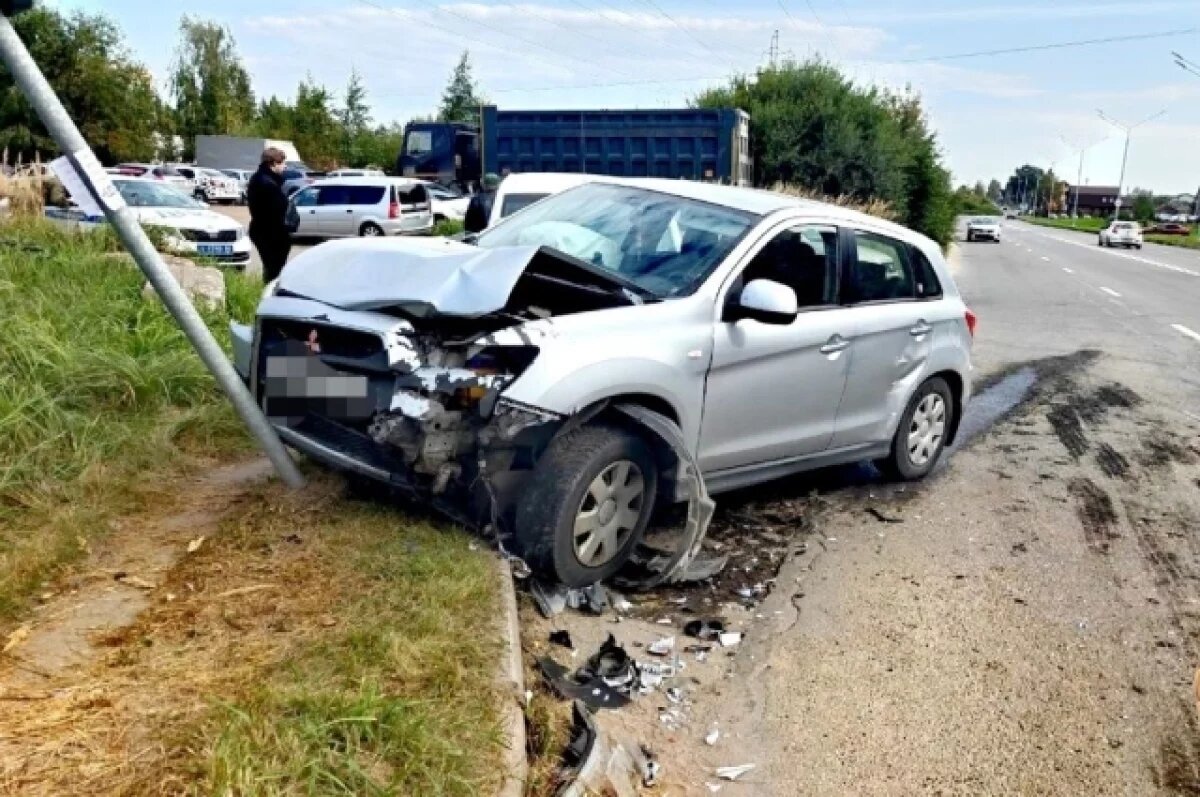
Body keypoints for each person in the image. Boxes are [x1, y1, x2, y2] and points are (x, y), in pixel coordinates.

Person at [246, 147, 291, 282]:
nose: (285, 166)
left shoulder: (261, 179)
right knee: (273, 271)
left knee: (272, 269)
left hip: (265, 232)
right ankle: (270, 297)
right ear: (272, 164)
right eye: (282, 162)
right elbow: (276, 211)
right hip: (270, 234)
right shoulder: (266, 184)